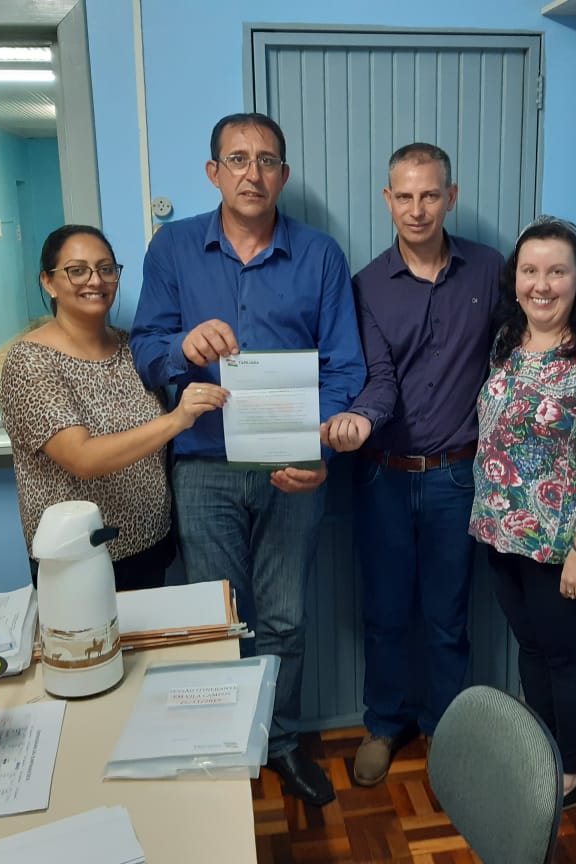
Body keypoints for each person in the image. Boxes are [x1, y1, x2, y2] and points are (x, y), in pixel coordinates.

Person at [130, 113, 366, 806]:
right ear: (214, 172)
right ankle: (224, 748)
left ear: (283, 175)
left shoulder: (320, 255)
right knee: (217, 619)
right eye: (237, 159)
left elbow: (344, 367)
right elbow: (144, 347)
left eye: (266, 160)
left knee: (286, 618)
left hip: (294, 468)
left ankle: (279, 741)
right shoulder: (173, 248)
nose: (252, 173)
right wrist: (181, 350)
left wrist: (320, 451)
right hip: (202, 465)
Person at [320, 143, 503, 785]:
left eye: (429, 195)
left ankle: (447, 733)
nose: (417, 209)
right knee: (386, 612)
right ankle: (384, 723)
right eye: (404, 196)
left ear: (451, 197)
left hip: (458, 475)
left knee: (448, 618)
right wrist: (361, 420)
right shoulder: (366, 285)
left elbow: (517, 355)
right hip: (381, 475)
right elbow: (378, 378)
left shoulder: (491, 271)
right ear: (387, 200)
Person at [470, 216, 576, 811]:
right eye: (530, 271)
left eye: (557, 272)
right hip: (503, 533)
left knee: (567, 658)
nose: (541, 285)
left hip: (564, 546)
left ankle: (566, 774)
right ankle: (539, 751)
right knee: (533, 648)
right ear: (514, 278)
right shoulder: (508, 339)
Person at [0, 225, 227, 591]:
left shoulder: (131, 348)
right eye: (77, 270)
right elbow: (82, 457)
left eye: (106, 269)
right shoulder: (30, 361)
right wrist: (177, 420)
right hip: (77, 556)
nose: (95, 280)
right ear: (48, 282)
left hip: (150, 547)